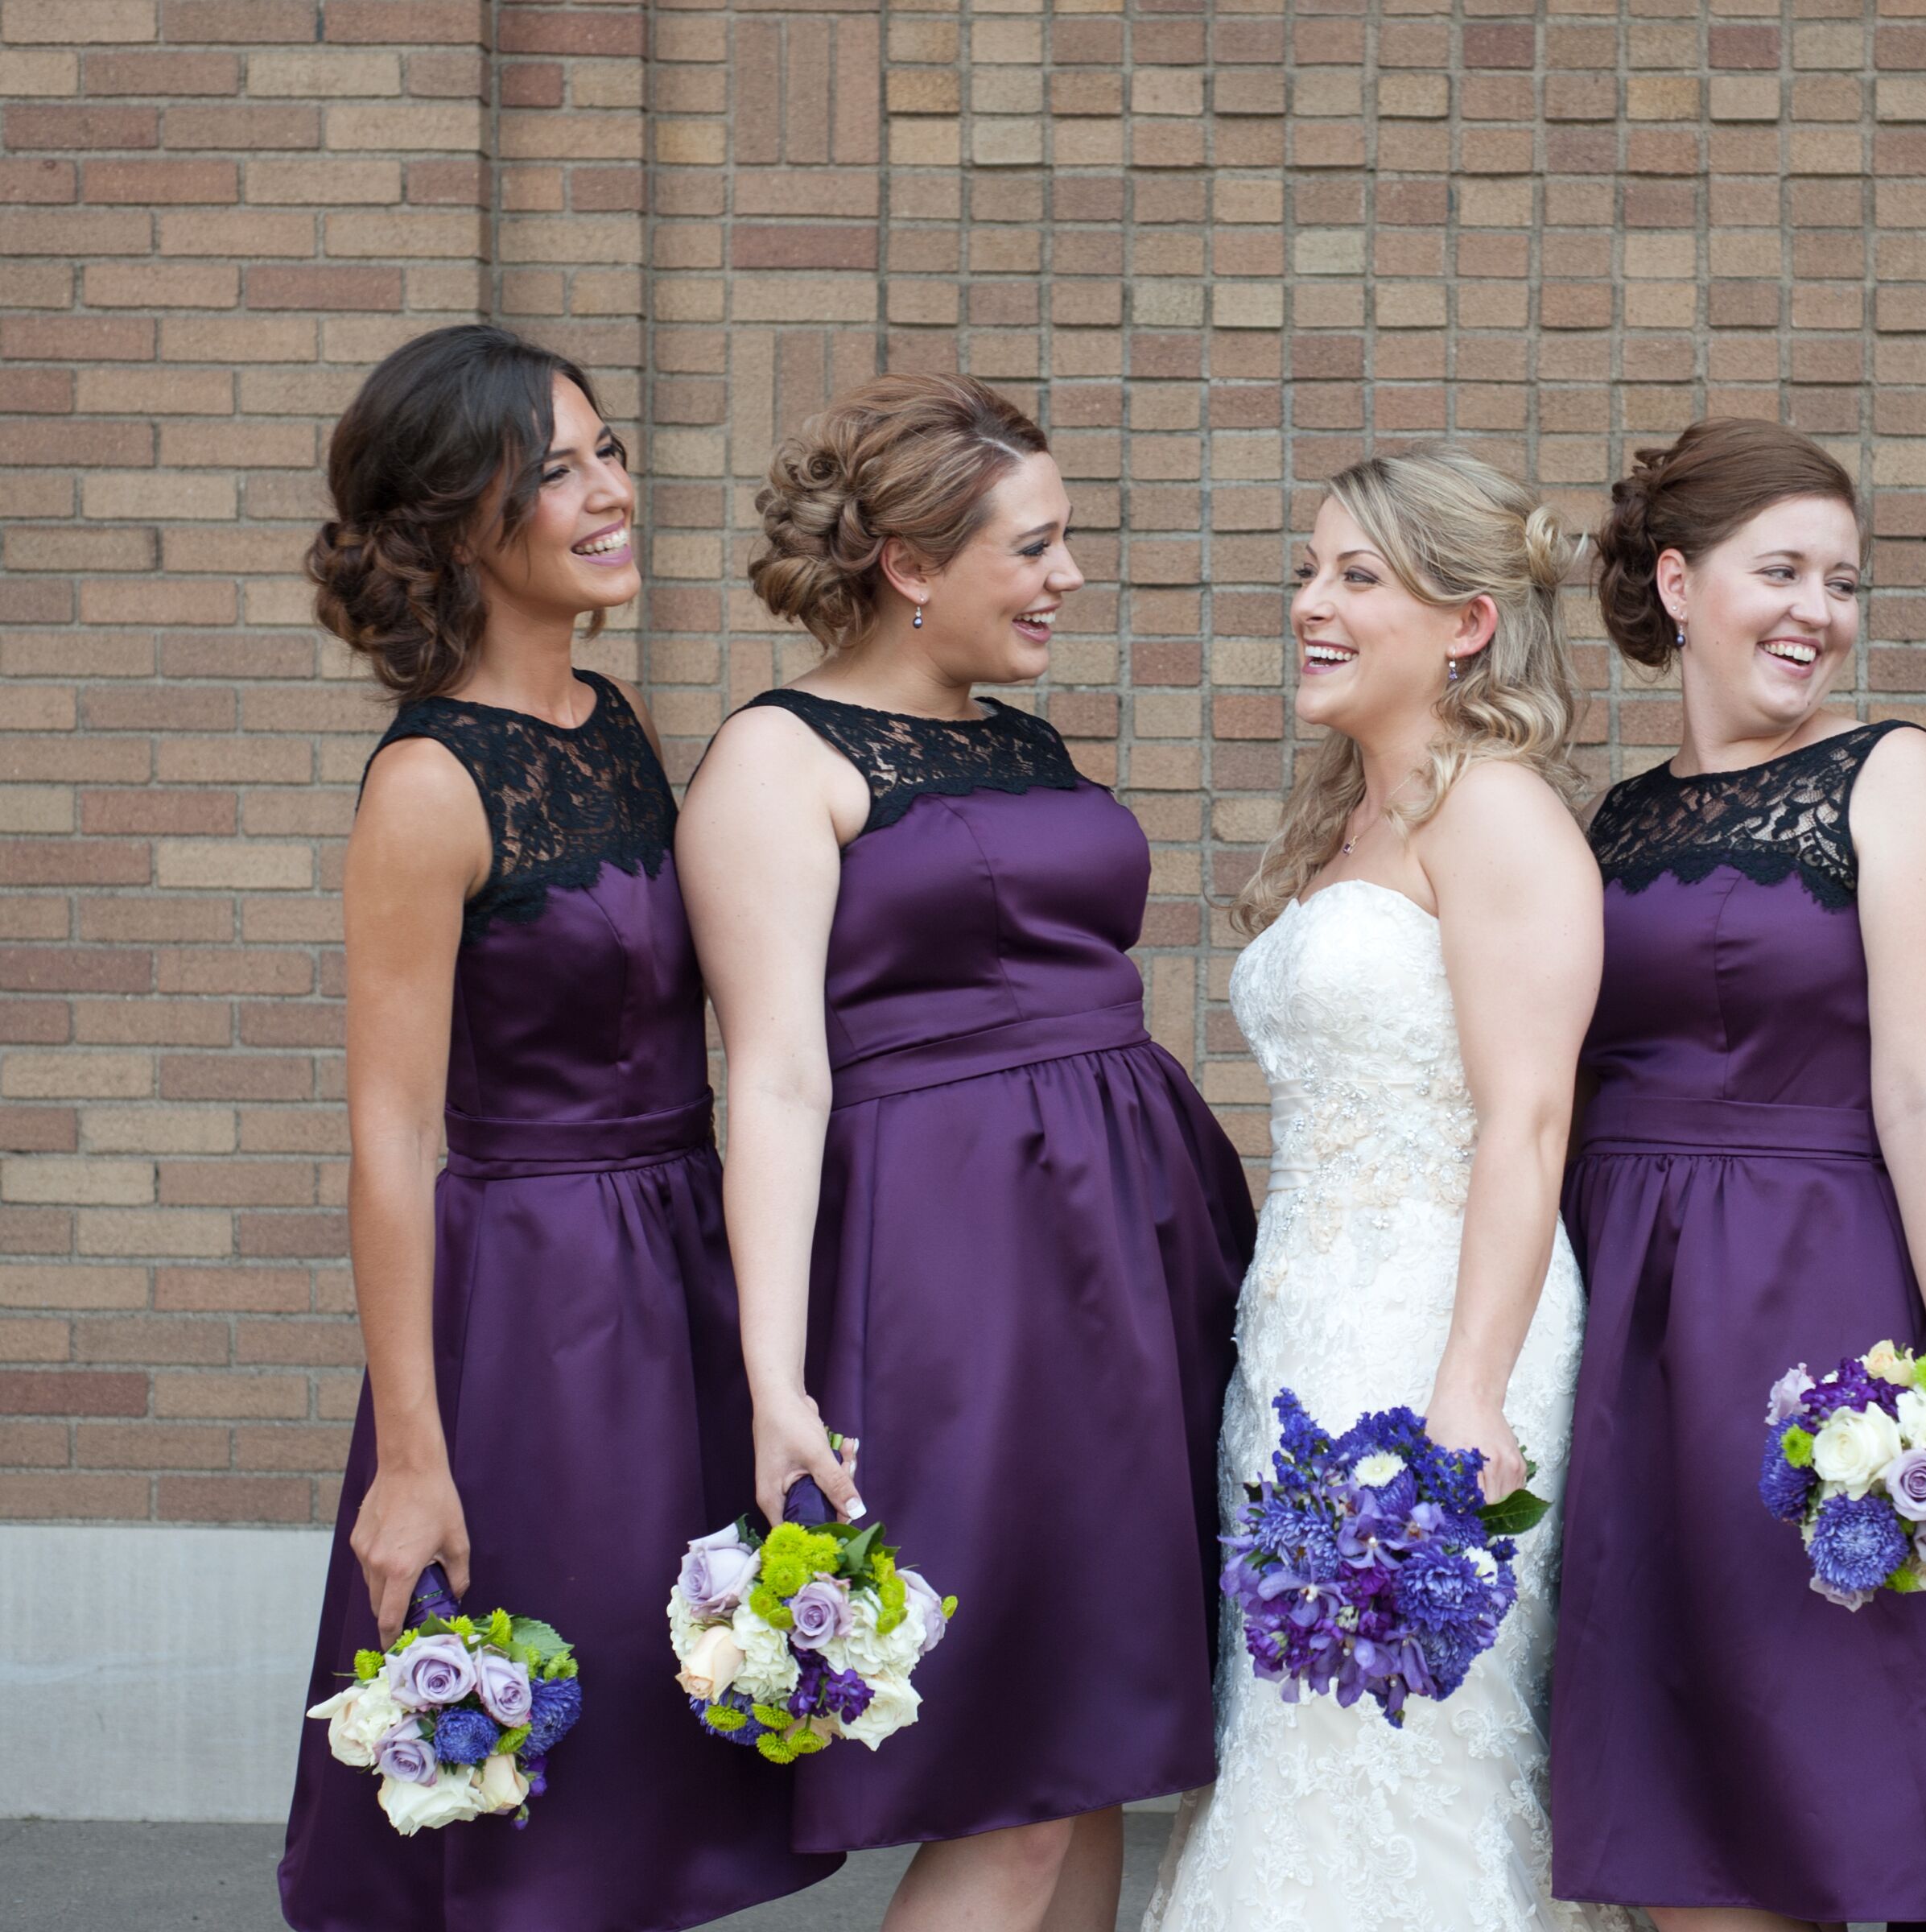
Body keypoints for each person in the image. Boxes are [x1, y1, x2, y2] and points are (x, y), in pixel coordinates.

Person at [278, 324, 837, 1930]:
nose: (609, 494)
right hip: (533, 1315)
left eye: (608, 453)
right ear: (463, 520)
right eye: (558, 471)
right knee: (550, 1793)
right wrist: (410, 1460)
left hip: (674, 1280)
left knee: (661, 1773)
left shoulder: (617, 722)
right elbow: (391, 1143)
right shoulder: (429, 789)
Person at [679, 374, 1252, 1932]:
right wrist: (778, 1384)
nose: (1068, 578)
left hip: (1130, 1259)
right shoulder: (777, 764)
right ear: (914, 567)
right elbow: (780, 1082)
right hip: (963, 1287)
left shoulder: (1017, 742)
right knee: (1009, 1779)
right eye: (1037, 546)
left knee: (1093, 1767)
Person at [1544, 419, 1926, 1932]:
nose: (1819, 609)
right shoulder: (1616, 820)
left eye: (1842, 579)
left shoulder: (1891, 782)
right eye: (1782, 571)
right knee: (1650, 1756)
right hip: (1623, 1301)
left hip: (1807, 1302)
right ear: (1680, 585)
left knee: (1790, 1765)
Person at [1141, 445, 1631, 1932]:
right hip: (1301, 1331)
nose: (1311, 603)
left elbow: (1529, 1121)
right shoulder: (1357, 813)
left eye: (1358, 576)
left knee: (1407, 1735)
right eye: (1310, 571)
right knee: (1292, 1734)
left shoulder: (1497, 816)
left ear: (1467, 621)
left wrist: (1467, 1393)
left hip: (1438, 1335)